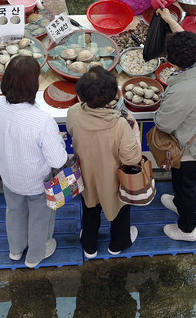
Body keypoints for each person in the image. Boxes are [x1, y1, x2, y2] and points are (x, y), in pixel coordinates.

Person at [0, 56, 67, 268]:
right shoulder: (42, 121)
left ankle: (15, 250)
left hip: (9, 176)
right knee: (40, 218)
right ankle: (35, 256)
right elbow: (58, 159)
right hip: (37, 183)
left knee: (14, 212)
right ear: (33, 84)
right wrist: (59, 140)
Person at [68, 66, 142, 258]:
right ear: (113, 97)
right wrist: (135, 130)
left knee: (89, 207)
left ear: (81, 96)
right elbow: (132, 159)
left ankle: (89, 246)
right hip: (113, 180)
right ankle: (118, 244)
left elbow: (71, 131)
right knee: (119, 210)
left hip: (86, 176)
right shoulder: (120, 124)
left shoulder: (74, 113)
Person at [155, 9, 196, 242]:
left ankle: (188, 229)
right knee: (180, 181)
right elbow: (184, 37)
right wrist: (170, 20)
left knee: (186, 185)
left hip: (189, 148)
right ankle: (178, 202)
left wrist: (158, 110)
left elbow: (163, 123)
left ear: (171, 61)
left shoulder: (181, 90)